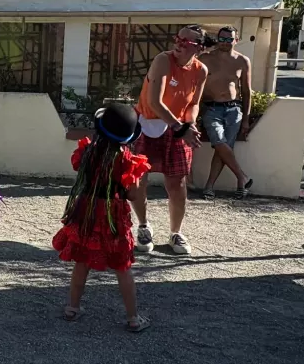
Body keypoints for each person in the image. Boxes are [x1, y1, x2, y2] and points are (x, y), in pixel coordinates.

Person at [53, 103, 152, 332]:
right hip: (112, 213)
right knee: (122, 265)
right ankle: (133, 318)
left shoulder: (87, 152)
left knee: (82, 260)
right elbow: (133, 194)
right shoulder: (127, 161)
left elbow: (80, 170)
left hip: (86, 209)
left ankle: (72, 308)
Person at [131, 25, 209, 256]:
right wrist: (180, 127)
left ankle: (176, 233)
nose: (180, 43)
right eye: (179, 38)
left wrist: (190, 124)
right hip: (147, 124)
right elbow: (154, 102)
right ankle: (144, 226)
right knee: (138, 180)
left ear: (200, 48)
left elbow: (194, 103)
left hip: (177, 127)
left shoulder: (201, 70)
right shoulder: (163, 60)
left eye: (188, 41)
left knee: (177, 184)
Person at [199, 26, 253, 199]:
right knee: (220, 142)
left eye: (229, 39)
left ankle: (209, 187)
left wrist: (246, 118)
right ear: (217, 39)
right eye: (222, 39)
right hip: (211, 108)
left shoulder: (242, 61)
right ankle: (242, 177)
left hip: (233, 109)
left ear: (236, 40)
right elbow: (194, 87)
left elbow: (246, 91)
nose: (225, 42)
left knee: (224, 149)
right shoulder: (205, 58)